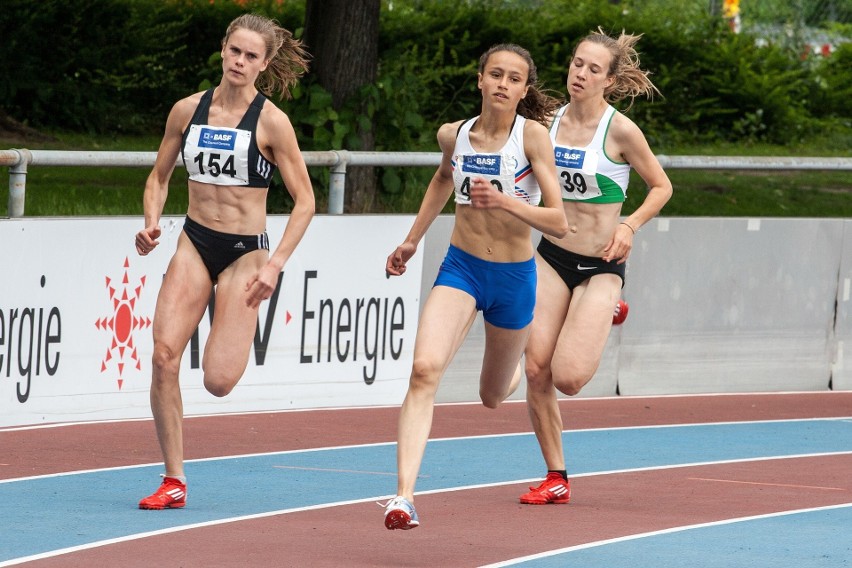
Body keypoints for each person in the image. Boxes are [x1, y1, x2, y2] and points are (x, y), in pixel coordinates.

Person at [382, 44, 569, 530]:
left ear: (525, 89)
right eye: (496, 75)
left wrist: (507, 202)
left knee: (491, 395)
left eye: (515, 79)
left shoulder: (532, 139)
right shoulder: (455, 134)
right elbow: (443, 179)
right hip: (461, 267)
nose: (504, 84)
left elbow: (559, 221)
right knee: (424, 370)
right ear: (480, 80)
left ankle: (513, 370)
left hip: (513, 277)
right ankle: (403, 498)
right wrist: (411, 240)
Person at [134, 14, 315, 509]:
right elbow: (158, 176)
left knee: (217, 381)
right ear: (222, 49)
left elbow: (305, 202)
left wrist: (274, 264)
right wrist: (152, 221)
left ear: (265, 63)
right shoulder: (187, 110)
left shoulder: (272, 122)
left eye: (251, 56)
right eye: (235, 51)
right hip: (194, 242)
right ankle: (174, 480)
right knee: (163, 356)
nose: (240, 61)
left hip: (244, 256)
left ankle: (234, 328)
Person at [519, 28, 672, 505]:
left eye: (592, 69)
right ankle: (556, 474)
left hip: (601, 264)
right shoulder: (545, 121)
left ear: (609, 79)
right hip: (551, 255)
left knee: (569, 377)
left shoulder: (621, 130)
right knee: (537, 368)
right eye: (576, 63)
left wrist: (629, 226)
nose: (579, 74)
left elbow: (661, 187)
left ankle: (609, 307)